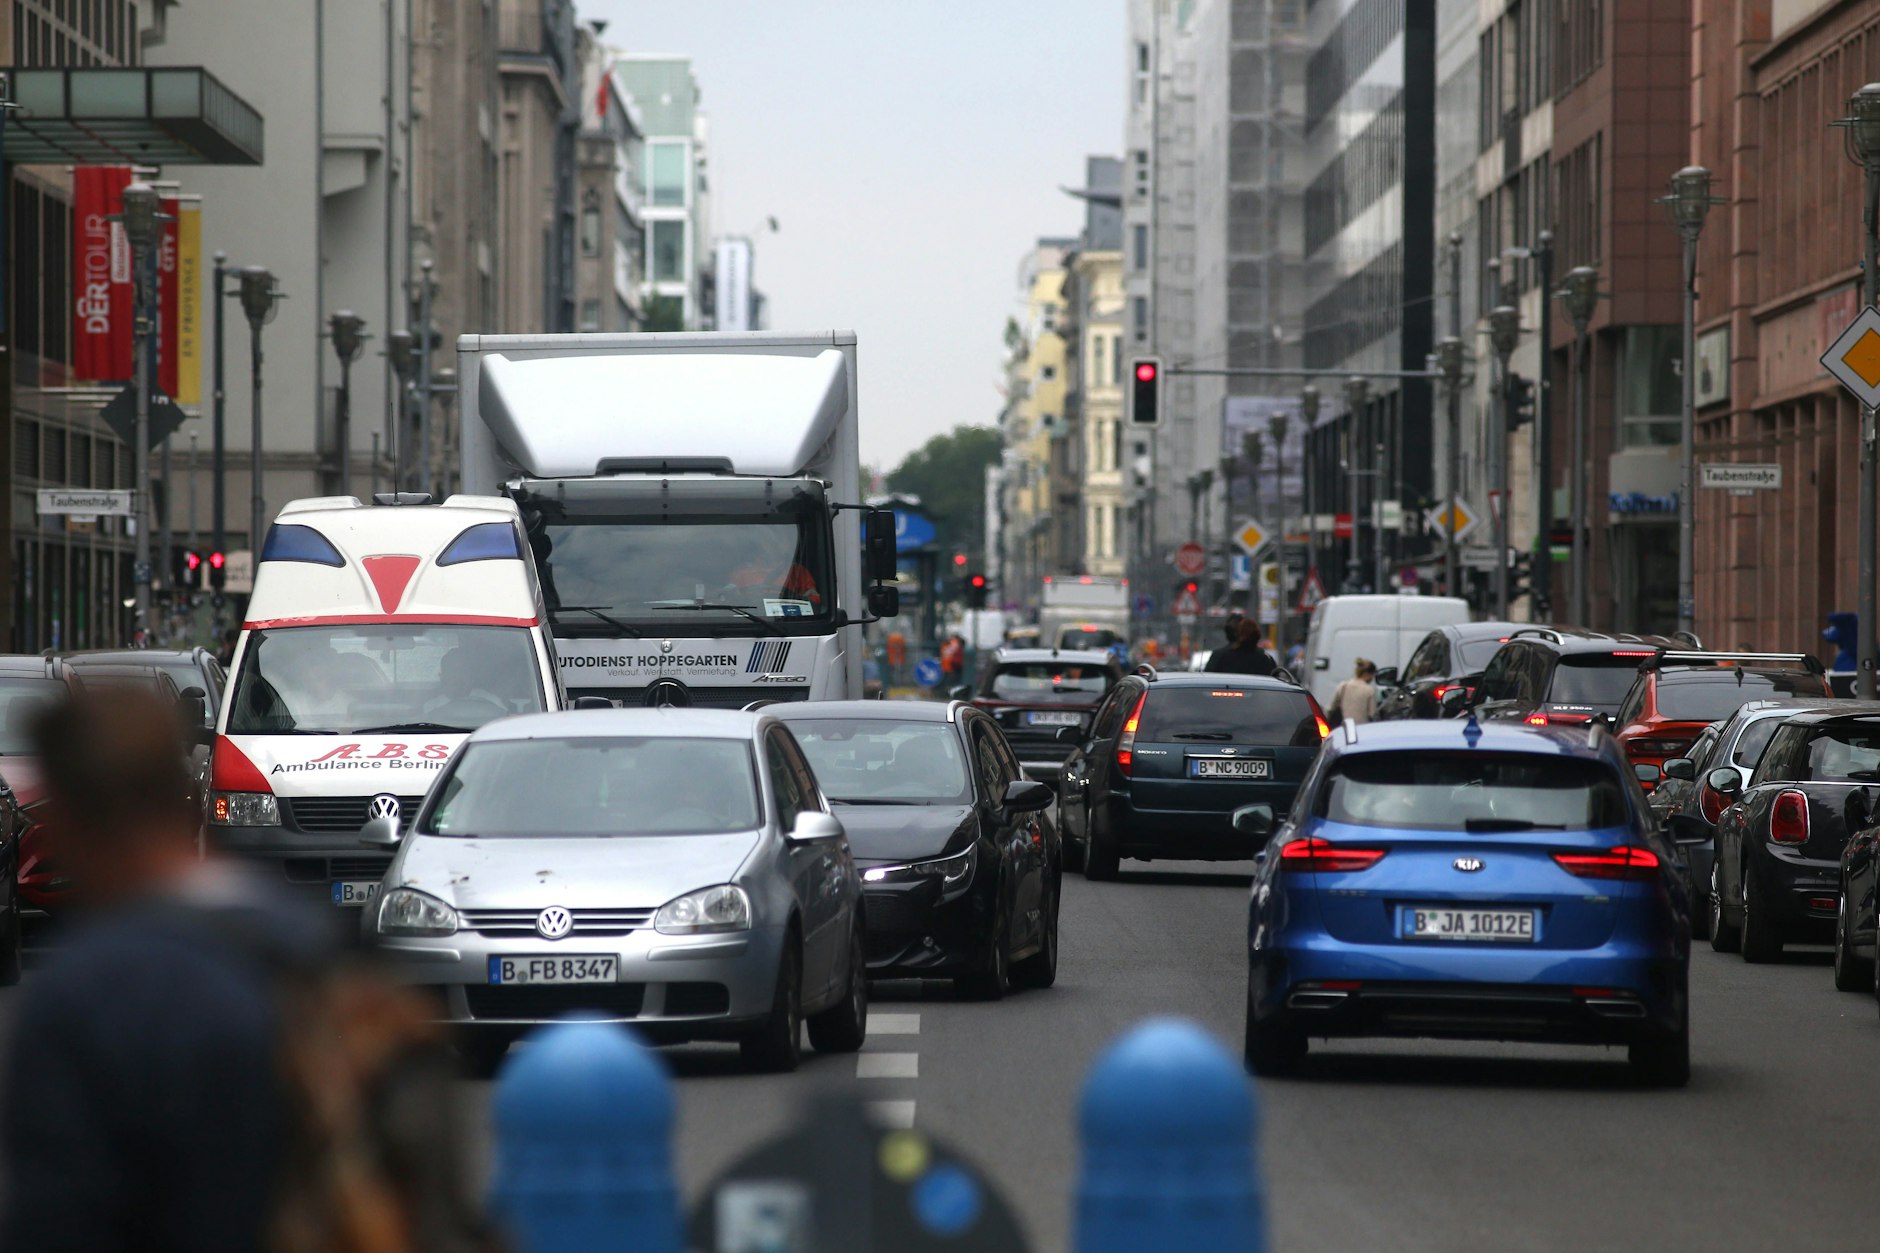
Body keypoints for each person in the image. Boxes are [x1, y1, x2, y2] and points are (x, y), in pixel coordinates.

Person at [0, 691, 492, 1253]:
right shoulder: (315, 944)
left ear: (66, 819)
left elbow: (58, 1218)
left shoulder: (84, 993)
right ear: (179, 795)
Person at [1206, 617, 1281, 677]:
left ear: (1237, 634)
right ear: (1257, 636)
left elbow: (1208, 679)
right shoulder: (1266, 659)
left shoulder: (1219, 657)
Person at [1329, 658, 1379, 727]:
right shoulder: (1369, 690)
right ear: (1367, 674)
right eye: (1373, 674)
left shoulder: (1343, 686)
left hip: (1345, 729)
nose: (1373, 678)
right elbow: (1372, 714)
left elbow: (1331, 708)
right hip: (1362, 729)